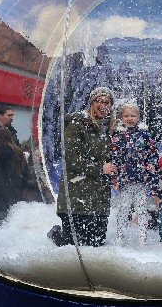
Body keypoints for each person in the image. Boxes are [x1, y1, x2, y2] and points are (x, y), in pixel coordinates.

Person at [48, 87, 117, 247]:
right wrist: (100, 168)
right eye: (98, 101)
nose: (102, 105)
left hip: (99, 202)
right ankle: (56, 235)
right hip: (77, 199)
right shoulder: (77, 123)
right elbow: (71, 158)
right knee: (74, 249)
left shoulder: (110, 129)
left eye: (106, 102)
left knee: (96, 246)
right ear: (91, 103)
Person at [110, 102, 159, 245]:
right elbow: (114, 158)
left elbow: (153, 153)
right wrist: (115, 178)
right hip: (125, 180)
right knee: (124, 209)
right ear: (121, 117)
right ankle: (120, 236)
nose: (130, 118)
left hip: (141, 180)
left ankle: (142, 237)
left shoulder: (145, 134)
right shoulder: (118, 136)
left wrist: (151, 164)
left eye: (133, 115)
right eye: (126, 115)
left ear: (138, 117)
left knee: (142, 209)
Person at [0, 127, 29, 218]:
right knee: (16, 214)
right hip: (17, 187)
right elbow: (25, 171)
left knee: (4, 216)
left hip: (0, 190)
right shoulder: (18, 152)